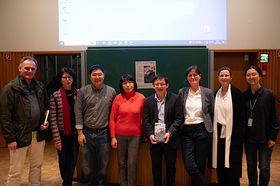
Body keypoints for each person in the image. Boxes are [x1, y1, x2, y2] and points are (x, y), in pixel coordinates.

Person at [0, 56, 49, 186]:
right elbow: (4, 116)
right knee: (16, 170)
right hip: (19, 135)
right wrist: (10, 138)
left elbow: (46, 107)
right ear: (20, 68)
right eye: (26, 68)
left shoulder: (40, 87)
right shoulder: (10, 89)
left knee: (36, 166)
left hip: (38, 134)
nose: (29, 71)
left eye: (32, 68)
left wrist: (45, 121)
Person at [75, 64, 116, 186]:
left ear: (104, 76)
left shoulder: (111, 91)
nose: (97, 77)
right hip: (86, 133)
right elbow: (77, 112)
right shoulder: (82, 91)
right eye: (94, 75)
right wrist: (80, 133)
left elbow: (114, 114)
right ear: (89, 76)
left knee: (103, 165)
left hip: (104, 134)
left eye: (99, 74)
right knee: (87, 165)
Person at [144, 74, 183, 186]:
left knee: (171, 167)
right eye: (157, 84)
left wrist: (169, 133)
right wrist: (151, 134)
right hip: (154, 140)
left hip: (170, 139)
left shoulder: (175, 99)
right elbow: (146, 120)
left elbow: (179, 119)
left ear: (167, 85)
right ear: (153, 86)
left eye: (162, 84)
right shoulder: (148, 101)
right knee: (156, 167)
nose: (159, 86)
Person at [243, 65, 279, 186]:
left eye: (254, 74)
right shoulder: (244, 96)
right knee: (251, 167)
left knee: (264, 168)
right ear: (246, 77)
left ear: (259, 76)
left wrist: (273, 137)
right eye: (248, 75)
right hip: (249, 140)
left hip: (265, 139)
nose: (251, 77)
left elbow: (275, 117)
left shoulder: (269, 95)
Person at [178, 65, 214, 186]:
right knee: (189, 165)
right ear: (187, 78)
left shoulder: (208, 92)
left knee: (199, 165)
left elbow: (212, 113)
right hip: (186, 132)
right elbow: (179, 112)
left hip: (203, 131)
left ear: (200, 76)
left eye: (195, 75)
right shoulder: (182, 92)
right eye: (190, 75)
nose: (193, 77)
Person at [212, 66, 246, 186]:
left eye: (226, 75)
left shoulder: (237, 94)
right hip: (219, 135)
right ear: (218, 78)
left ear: (231, 77)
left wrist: (238, 137)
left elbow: (242, 118)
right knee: (221, 164)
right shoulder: (216, 93)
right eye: (221, 75)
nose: (224, 77)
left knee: (232, 166)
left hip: (233, 134)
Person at [109, 74, 145, 186]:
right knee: (122, 163)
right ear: (121, 85)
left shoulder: (141, 98)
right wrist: (113, 137)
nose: (128, 85)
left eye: (130, 82)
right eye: (125, 83)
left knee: (132, 163)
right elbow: (111, 119)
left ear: (134, 83)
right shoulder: (118, 98)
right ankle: (123, 184)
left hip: (136, 136)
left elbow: (144, 118)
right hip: (120, 135)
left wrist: (144, 135)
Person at [49, 67, 79, 186]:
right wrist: (56, 139)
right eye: (64, 77)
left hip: (76, 133)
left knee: (73, 160)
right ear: (60, 79)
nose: (67, 80)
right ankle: (66, 180)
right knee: (63, 160)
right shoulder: (55, 95)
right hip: (62, 134)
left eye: (69, 77)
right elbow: (53, 119)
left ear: (73, 79)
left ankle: (67, 182)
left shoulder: (79, 93)